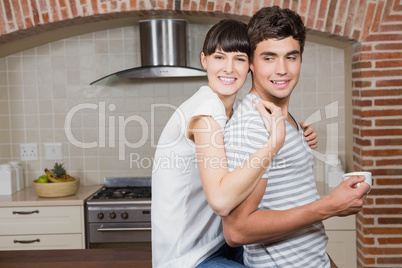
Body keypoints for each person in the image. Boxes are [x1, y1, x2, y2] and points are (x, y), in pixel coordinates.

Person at [151, 19, 318, 268]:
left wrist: (299, 130)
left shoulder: (234, 108)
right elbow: (220, 201)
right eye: (219, 57)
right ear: (204, 60)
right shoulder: (207, 111)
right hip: (187, 258)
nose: (229, 68)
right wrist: (274, 143)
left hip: (221, 245)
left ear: (249, 65)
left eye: (239, 59)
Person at [222, 6, 370, 268]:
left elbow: (299, 220)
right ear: (251, 63)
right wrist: (330, 206)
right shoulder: (253, 125)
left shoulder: (282, 119)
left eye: (291, 56)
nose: (282, 69)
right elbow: (237, 230)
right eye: (269, 58)